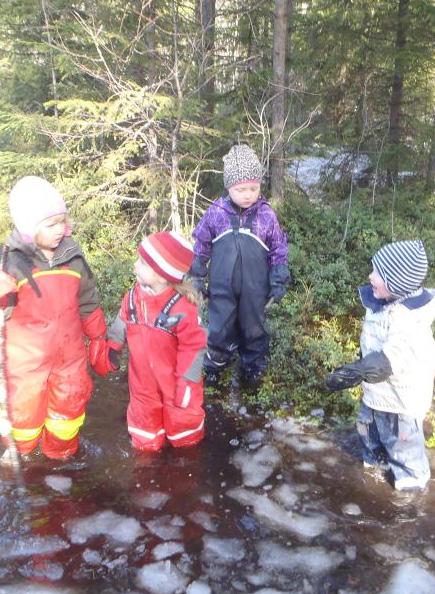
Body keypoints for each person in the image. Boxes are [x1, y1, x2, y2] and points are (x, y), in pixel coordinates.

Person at [0, 176, 108, 460]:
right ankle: (22, 460)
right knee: (23, 418)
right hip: (25, 364)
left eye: (62, 221)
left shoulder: (72, 257)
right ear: (28, 227)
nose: (60, 230)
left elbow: (88, 300)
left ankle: (60, 463)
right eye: (51, 224)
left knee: (68, 411)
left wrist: (98, 338)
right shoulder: (10, 263)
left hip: (69, 357)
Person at [326, 240, 435, 491]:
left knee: (404, 451)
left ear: (397, 284)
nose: (369, 276)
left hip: (400, 404)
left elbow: (386, 362)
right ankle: (373, 475)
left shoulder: (409, 322)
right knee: (368, 433)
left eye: (377, 273)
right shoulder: (386, 301)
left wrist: (352, 373)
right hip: (376, 395)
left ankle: (410, 495)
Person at [92, 231, 207, 452]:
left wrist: (187, 384)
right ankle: (147, 475)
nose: (135, 265)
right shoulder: (133, 298)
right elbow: (122, 322)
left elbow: (194, 347)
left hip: (177, 386)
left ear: (163, 275)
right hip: (142, 385)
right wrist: (112, 349)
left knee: (184, 438)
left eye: (143, 263)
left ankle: (184, 475)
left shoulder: (182, 307)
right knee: (145, 437)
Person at [189, 144, 290, 388]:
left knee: (253, 327)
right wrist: (196, 276)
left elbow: (278, 249)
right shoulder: (216, 212)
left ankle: (252, 366)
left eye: (253, 188)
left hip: (255, 288)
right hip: (221, 286)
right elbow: (201, 245)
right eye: (241, 189)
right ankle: (215, 364)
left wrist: (278, 280)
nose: (247, 194)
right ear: (228, 187)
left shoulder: (266, 215)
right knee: (219, 326)